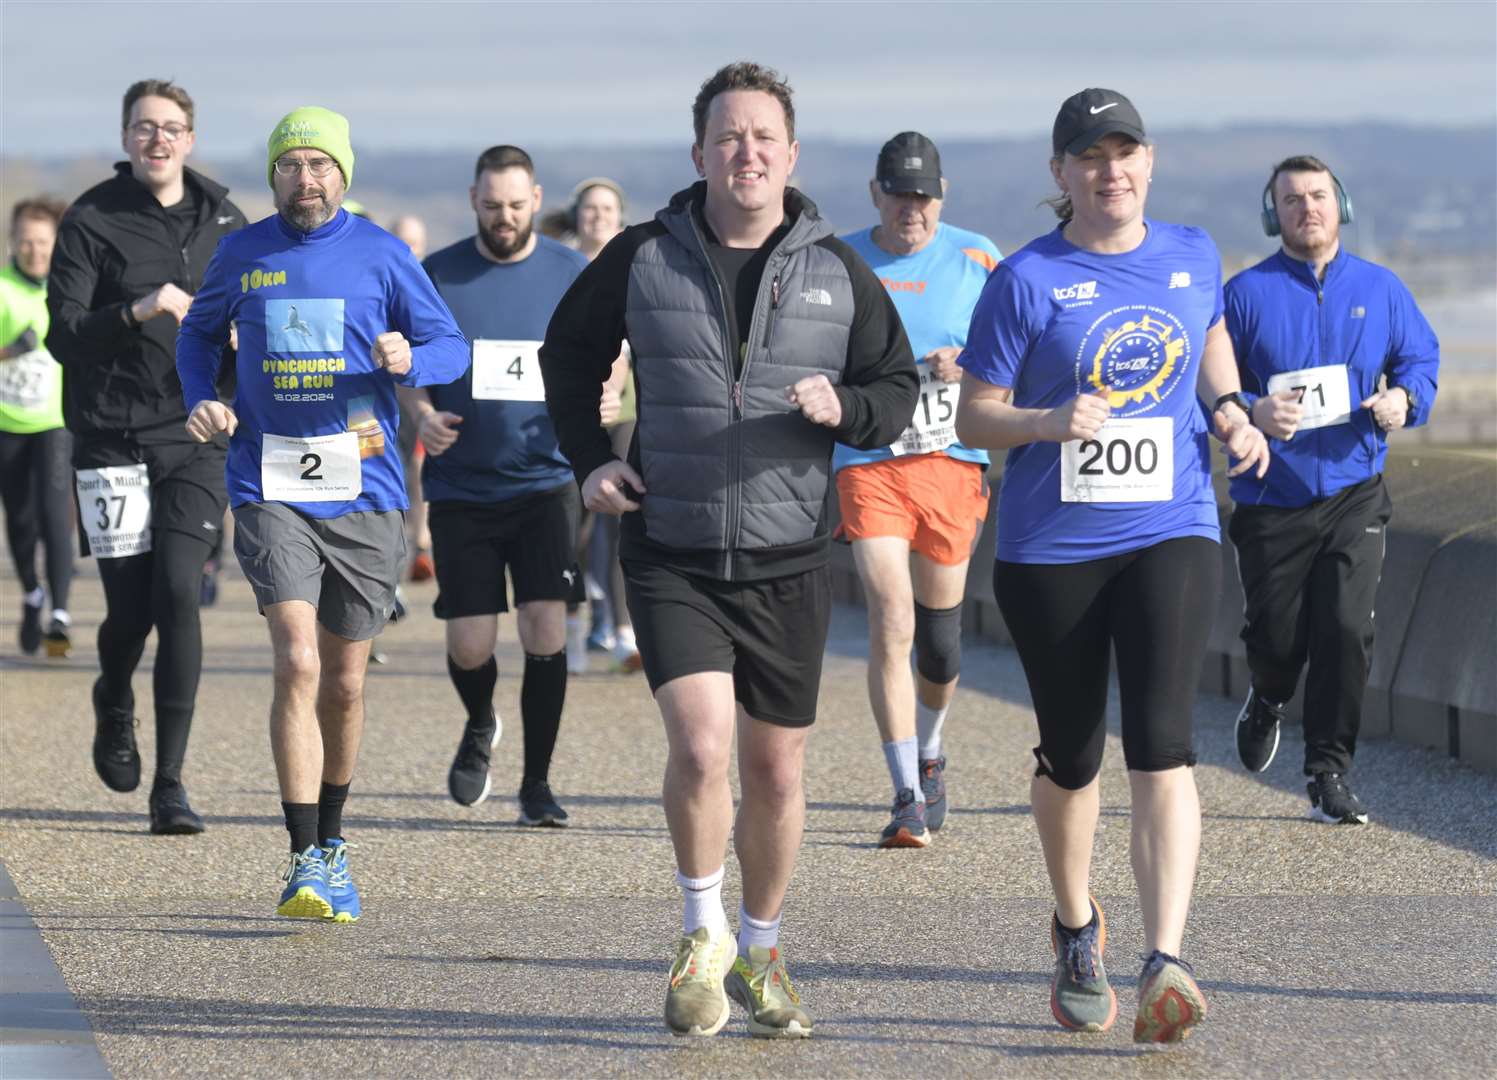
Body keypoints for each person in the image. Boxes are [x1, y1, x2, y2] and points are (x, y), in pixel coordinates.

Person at [542, 61, 917, 1040]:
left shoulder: (839, 267)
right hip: (673, 547)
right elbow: (567, 354)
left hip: (792, 554)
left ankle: (761, 949)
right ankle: (701, 933)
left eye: (763, 136)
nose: (745, 151)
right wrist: (590, 458)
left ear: (790, 155)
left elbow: (897, 385)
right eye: (727, 135)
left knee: (778, 774)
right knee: (703, 747)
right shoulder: (642, 256)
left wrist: (853, 409)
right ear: (699, 152)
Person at [954, 88, 1269, 1043]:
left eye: (1124, 152)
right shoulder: (1024, 279)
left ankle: (1165, 957)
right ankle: (1076, 923)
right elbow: (975, 415)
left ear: (1148, 161)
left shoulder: (1191, 252)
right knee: (1074, 755)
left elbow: (1209, 333)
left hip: (1169, 526)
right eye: (1089, 157)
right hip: (1052, 550)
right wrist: (1046, 422)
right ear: (1061, 175)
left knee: (1164, 743)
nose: (1110, 170)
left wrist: (1228, 408)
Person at [176, 106, 468, 920]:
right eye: (290, 165)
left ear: (343, 173)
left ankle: (333, 842)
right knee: (297, 660)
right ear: (273, 176)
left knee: (342, 682)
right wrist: (202, 398)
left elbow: (452, 345)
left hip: (366, 489)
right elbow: (197, 339)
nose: (305, 179)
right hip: (267, 482)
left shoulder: (383, 253)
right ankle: (303, 858)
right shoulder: (242, 253)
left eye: (319, 165)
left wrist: (415, 356)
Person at [46, 79, 247, 835]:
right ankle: (112, 696)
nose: (157, 139)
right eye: (143, 128)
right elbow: (63, 334)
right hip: (109, 435)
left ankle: (171, 785)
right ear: (127, 138)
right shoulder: (91, 219)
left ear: (190, 139)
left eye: (171, 128)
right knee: (129, 609)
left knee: (178, 592)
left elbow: (255, 314)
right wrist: (137, 307)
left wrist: (238, 356)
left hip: (195, 434)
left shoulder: (226, 220)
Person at [1224, 155, 1439, 824]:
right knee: (1278, 643)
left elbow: (1419, 361)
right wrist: (1252, 409)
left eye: (1315, 196)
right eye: (1289, 200)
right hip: (1270, 498)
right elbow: (1211, 387)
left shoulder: (1380, 288)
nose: (1304, 209)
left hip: (1353, 491)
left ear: (1338, 205)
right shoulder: (1243, 295)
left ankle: (1328, 773)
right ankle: (1266, 695)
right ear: (1272, 216)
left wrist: (1404, 398)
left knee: (1346, 630)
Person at [402, 145, 587, 825]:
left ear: (535, 198)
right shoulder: (438, 274)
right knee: (470, 644)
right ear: (472, 198)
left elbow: (610, 354)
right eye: (490, 206)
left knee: (545, 628)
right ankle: (481, 720)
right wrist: (422, 414)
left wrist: (602, 398)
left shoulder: (572, 272)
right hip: (460, 487)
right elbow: (407, 364)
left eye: (514, 205)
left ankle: (536, 785)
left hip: (545, 480)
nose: (503, 217)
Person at [834, 132, 1000, 848]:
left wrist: (970, 362)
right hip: (867, 460)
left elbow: (1018, 351)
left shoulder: (977, 256)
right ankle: (903, 793)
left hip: (950, 459)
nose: (912, 209)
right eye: (899, 194)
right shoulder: (838, 259)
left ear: (942, 195)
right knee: (890, 618)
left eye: (923, 196)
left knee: (938, 645)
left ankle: (930, 752)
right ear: (875, 193)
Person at [1, 197, 75, 657]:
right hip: (7, 423)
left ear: (56, 244)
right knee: (21, 520)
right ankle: (32, 593)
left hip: (56, 422)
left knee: (54, 514)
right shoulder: (2, 289)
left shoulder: (69, 287)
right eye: (25, 241)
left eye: (42, 241)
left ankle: (61, 615)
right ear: (13, 241)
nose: (34, 250)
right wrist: (11, 350)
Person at [388, 213, 435, 583]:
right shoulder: (375, 281)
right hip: (378, 403)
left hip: (421, 402)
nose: (408, 249)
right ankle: (397, 555)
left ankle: (421, 543)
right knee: (390, 477)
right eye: (400, 240)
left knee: (418, 474)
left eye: (414, 242)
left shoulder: (433, 286)